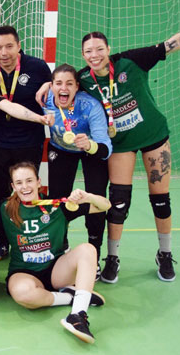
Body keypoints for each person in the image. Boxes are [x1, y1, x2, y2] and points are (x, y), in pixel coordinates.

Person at [38, 13, 180, 283]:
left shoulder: (131, 61)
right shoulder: (83, 80)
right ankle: (112, 258)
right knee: (118, 202)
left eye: (99, 49)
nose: (94, 55)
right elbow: (62, 82)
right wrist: (47, 84)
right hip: (121, 144)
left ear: (108, 49)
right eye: (88, 51)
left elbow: (176, 42)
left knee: (160, 200)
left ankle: (165, 253)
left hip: (153, 136)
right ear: (83, 54)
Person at [0, 162, 110, 344]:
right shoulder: (4, 209)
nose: (25, 187)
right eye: (19, 183)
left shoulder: (58, 206)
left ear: (38, 182)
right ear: (13, 186)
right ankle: (71, 297)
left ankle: (77, 315)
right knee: (24, 295)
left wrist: (87, 197)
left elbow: (105, 205)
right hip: (24, 272)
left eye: (29, 181)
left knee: (88, 249)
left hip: (57, 270)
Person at [0, 26, 53, 262]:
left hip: (29, 140)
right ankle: (1, 240)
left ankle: (30, 237)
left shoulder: (38, 67)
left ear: (19, 46)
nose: (4, 52)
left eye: (9, 46)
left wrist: (49, 84)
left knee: (26, 190)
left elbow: (60, 85)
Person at [42, 64, 112, 275]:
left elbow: (106, 149)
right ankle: (60, 247)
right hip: (61, 149)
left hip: (90, 150)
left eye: (69, 84)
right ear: (51, 86)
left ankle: (95, 253)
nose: (64, 88)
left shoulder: (89, 106)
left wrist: (89, 144)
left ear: (77, 87)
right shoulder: (44, 99)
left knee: (95, 199)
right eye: (59, 83)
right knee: (57, 200)